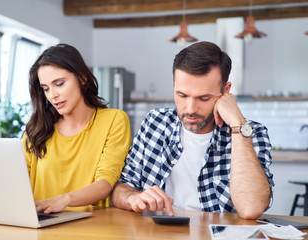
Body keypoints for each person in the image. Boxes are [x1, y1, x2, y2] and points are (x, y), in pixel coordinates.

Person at [111, 41, 274, 220]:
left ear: (226, 91)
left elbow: (251, 208)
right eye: (182, 95)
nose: (190, 109)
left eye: (204, 98)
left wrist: (237, 124)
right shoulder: (155, 122)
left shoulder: (250, 132)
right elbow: (121, 187)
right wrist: (133, 197)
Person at [23, 44, 131, 214]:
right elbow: (18, 180)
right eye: (45, 89)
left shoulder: (114, 120)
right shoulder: (37, 128)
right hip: (42, 226)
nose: (52, 95)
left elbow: (105, 183)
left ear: (82, 78)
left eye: (59, 84)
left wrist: (64, 200)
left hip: (91, 226)